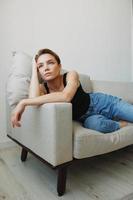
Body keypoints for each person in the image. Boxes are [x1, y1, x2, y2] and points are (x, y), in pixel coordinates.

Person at [11, 48, 133, 133]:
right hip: (87, 118)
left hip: (103, 103)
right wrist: (33, 69)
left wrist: (23, 102)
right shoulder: (43, 88)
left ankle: (119, 112)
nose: (46, 68)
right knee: (97, 125)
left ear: (59, 66)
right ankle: (119, 123)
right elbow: (34, 101)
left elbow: (66, 97)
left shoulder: (71, 75)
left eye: (50, 63)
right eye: (40, 66)